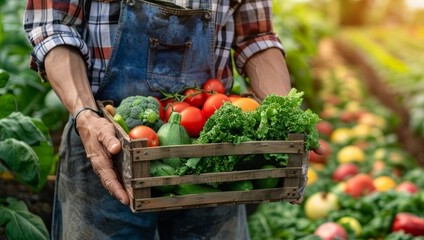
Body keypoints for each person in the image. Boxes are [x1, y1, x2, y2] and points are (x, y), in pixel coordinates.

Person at [24, 0, 303, 239]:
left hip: (213, 158)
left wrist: (286, 119)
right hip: (104, 144)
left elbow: (256, 36)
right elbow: (54, 27)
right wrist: (86, 114)